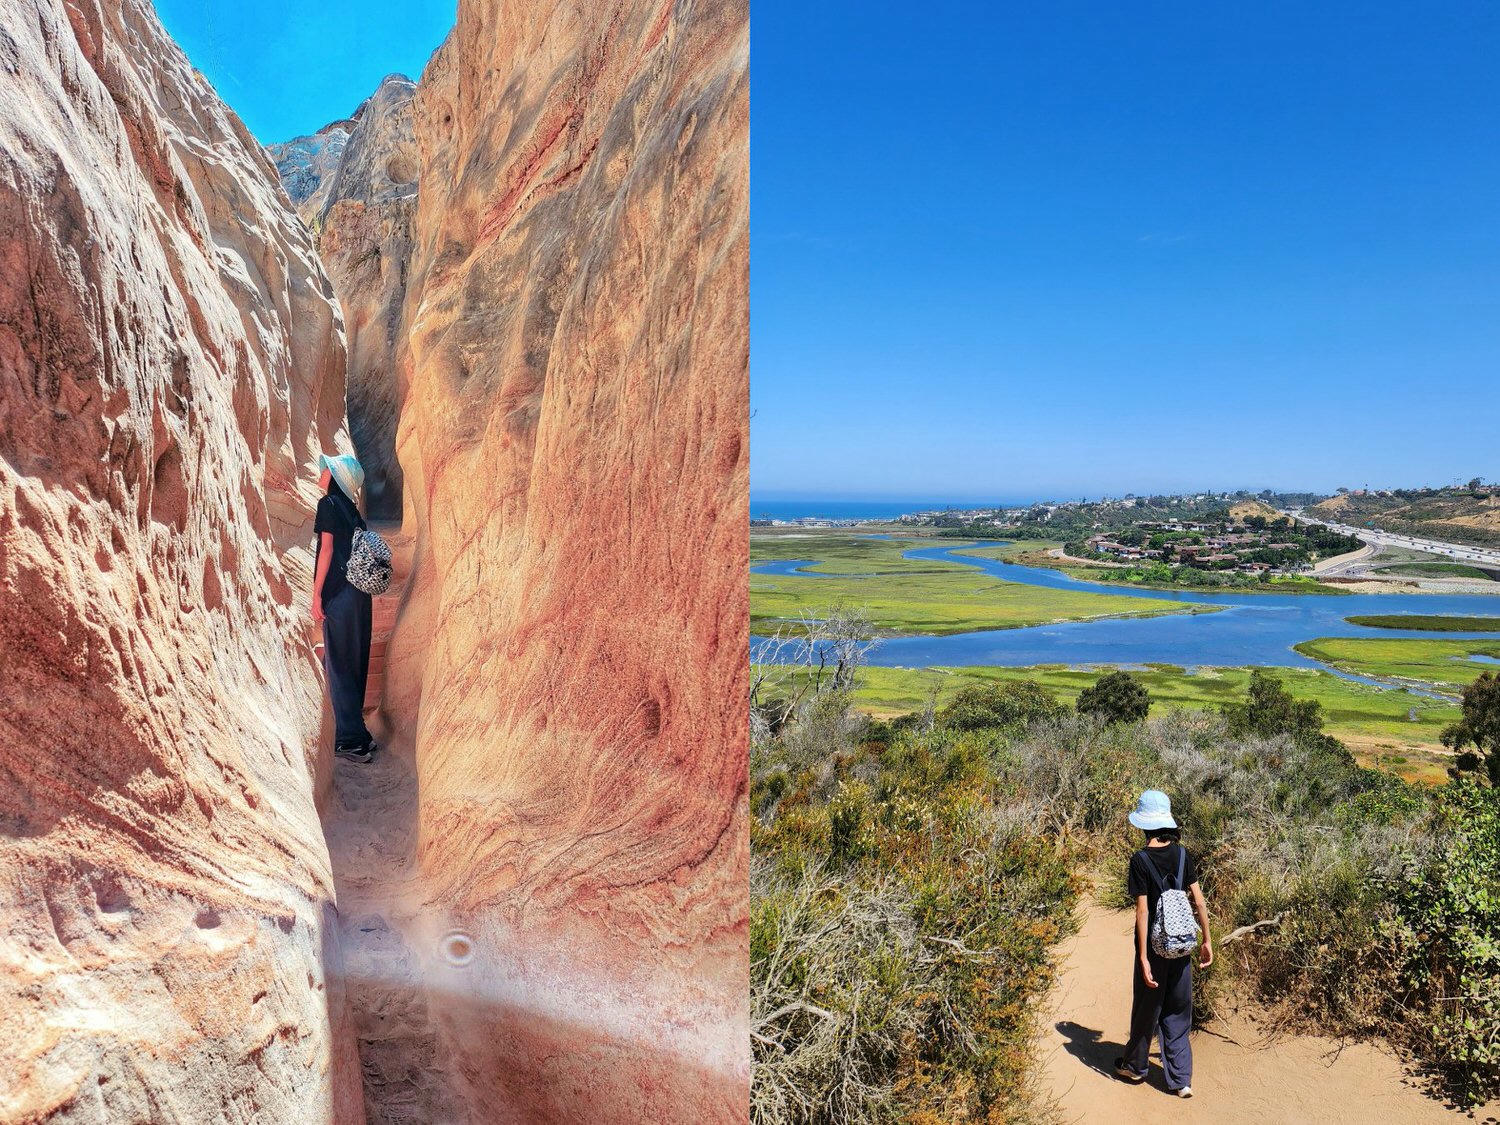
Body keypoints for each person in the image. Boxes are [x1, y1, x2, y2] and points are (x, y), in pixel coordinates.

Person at [1113, 789, 1212, 1098]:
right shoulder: (1184, 855)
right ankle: (1181, 1079)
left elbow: (1142, 911)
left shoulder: (1140, 860)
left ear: (1144, 824)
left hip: (1155, 947)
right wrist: (1206, 939)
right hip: (1183, 944)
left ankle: (1136, 1067)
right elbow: (1198, 899)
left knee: (1147, 1006)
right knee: (1179, 1009)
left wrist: (1142, 956)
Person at [313, 453, 378, 764]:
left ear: (335, 476)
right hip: (360, 595)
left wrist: (316, 596)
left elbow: (326, 551)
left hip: (339, 595)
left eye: (326, 467)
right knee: (354, 662)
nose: (320, 470)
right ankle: (361, 734)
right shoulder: (353, 511)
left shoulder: (328, 505)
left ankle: (351, 741)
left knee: (338, 665)